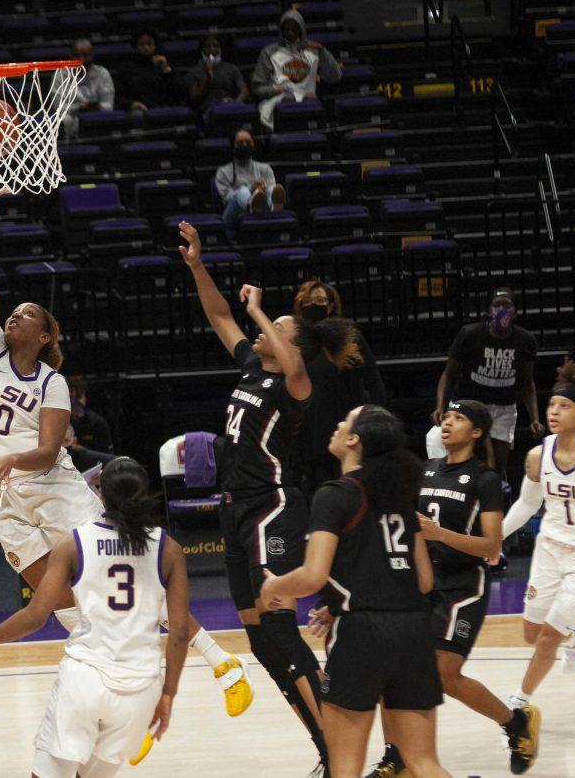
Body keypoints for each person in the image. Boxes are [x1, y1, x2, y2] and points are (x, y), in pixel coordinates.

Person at [0, 160, 252, 723]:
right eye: (12, 313)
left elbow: (47, 452)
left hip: (52, 488)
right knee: (67, 607)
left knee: (134, 581)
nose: (13, 315)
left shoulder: (52, 382)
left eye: (27, 314)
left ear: (44, 336)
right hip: (0, 499)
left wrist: (10, 459)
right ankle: (126, 690)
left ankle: (221, 661)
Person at [176, 218, 362, 773]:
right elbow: (217, 315)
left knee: (280, 626)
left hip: (272, 508)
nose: (260, 333)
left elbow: (296, 359)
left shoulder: (294, 386)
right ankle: (325, 747)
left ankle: (338, 747)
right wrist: (196, 264)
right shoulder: (254, 367)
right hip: (233, 509)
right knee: (259, 641)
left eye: (276, 329)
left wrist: (263, 311)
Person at [0, 458, 190, 778]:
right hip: (139, 688)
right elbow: (180, 633)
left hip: (85, 681)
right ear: (144, 494)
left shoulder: (75, 543)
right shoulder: (167, 549)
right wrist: (167, 693)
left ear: (100, 495)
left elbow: (35, 616)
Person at [261, 405, 450, 778]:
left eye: (343, 421)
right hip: (414, 630)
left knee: (345, 768)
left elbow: (313, 576)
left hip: (362, 635)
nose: (335, 424)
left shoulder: (334, 494)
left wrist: (274, 585)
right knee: (424, 763)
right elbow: (424, 581)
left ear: (354, 440)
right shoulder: (399, 497)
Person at [365, 399, 540, 777]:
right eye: (446, 417)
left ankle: (515, 722)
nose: (447, 423)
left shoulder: (484, 478)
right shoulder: (424, 470)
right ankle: (395, 756)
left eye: (458, 419)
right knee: (390, 671)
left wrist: (439, 533)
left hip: (464, 585)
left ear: (476, 432)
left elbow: (492, 546)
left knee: (444, 676)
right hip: (422, 580)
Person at [500, 376, 575, 710]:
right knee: (531, 634)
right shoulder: (538, 455)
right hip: (550, 550)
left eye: (564, 406)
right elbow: (526, 504)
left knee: (549, 638)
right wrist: (496, 539)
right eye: (551, 405)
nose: (554, 411)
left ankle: (519, 702)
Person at [432, 288, 542, 477]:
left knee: (496, 469)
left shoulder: (525, 341)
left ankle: (494, 499)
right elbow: (448, 374)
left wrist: (535, 418)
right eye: (496, 305)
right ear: (489, 311)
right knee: (453, 452)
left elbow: (527, 383)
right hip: (468, 406)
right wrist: (440, 407)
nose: (501, 309)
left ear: (515, 312)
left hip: (503, 407)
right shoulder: (470, 334)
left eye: (506, 306)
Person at [291, 280, 386, 494]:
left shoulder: (348, 337)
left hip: (342, 426)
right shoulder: (294, 340)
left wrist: (374, 426)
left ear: (331, 306)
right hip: (308, 430)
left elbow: (375, 383)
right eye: (308, 302)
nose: (313, 305)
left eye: (320, 301)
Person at [251, 10, 342, 130]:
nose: (290, 33)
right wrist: (275, 90)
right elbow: (258, 88)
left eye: (294, 29)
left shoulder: (313, 50)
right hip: (280, 106)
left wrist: (322, 51)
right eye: (286, 29)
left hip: (308, 105)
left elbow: (335, 77)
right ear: (281, 30)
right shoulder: (269, 52)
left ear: (301, 29)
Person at [214, 130, 284, 244]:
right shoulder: (223, 172)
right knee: (243, 191)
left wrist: (263, 189)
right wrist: (252, 189)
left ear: (253, 144)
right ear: (233, 147)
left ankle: (276, 208)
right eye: (240, 143)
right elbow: (227, 198)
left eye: (248, 142)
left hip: (265, 209)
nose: (244, 145)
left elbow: (272, 190)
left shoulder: (265, 169)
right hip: (233, 215)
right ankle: (252, 205)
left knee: (272, 188)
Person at [62, 39, 115, 142]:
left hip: (98, 120)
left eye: (86, 55)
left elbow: (109, 106)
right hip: (70, 121)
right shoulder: (61, 75)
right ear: (71, 56)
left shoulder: (102, 73)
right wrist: (78, 107)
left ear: (92, 55)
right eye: (77, 56)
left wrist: (95, 106)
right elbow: (58, 108)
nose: (81, 60)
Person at [115, 30, 180, 113]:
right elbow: (118, 96)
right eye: (142, 44)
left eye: (149, 44)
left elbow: (178, 92)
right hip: (137, 111)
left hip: (162, 110)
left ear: (155, 46)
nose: (146, 47)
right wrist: (131, 104)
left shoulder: (164, 65)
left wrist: (165, 69)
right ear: (136, 48)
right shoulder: (126, 68)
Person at [185, 35, 249, 114]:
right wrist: (208, 78)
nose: (212, 49)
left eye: (216, 46)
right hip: (207, 110)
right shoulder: (194, 71)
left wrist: (236, 103)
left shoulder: (231, 68)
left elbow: (244, 89)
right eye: (207, 47)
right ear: (201, 50)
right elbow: (194, 97)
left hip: (229, 105)